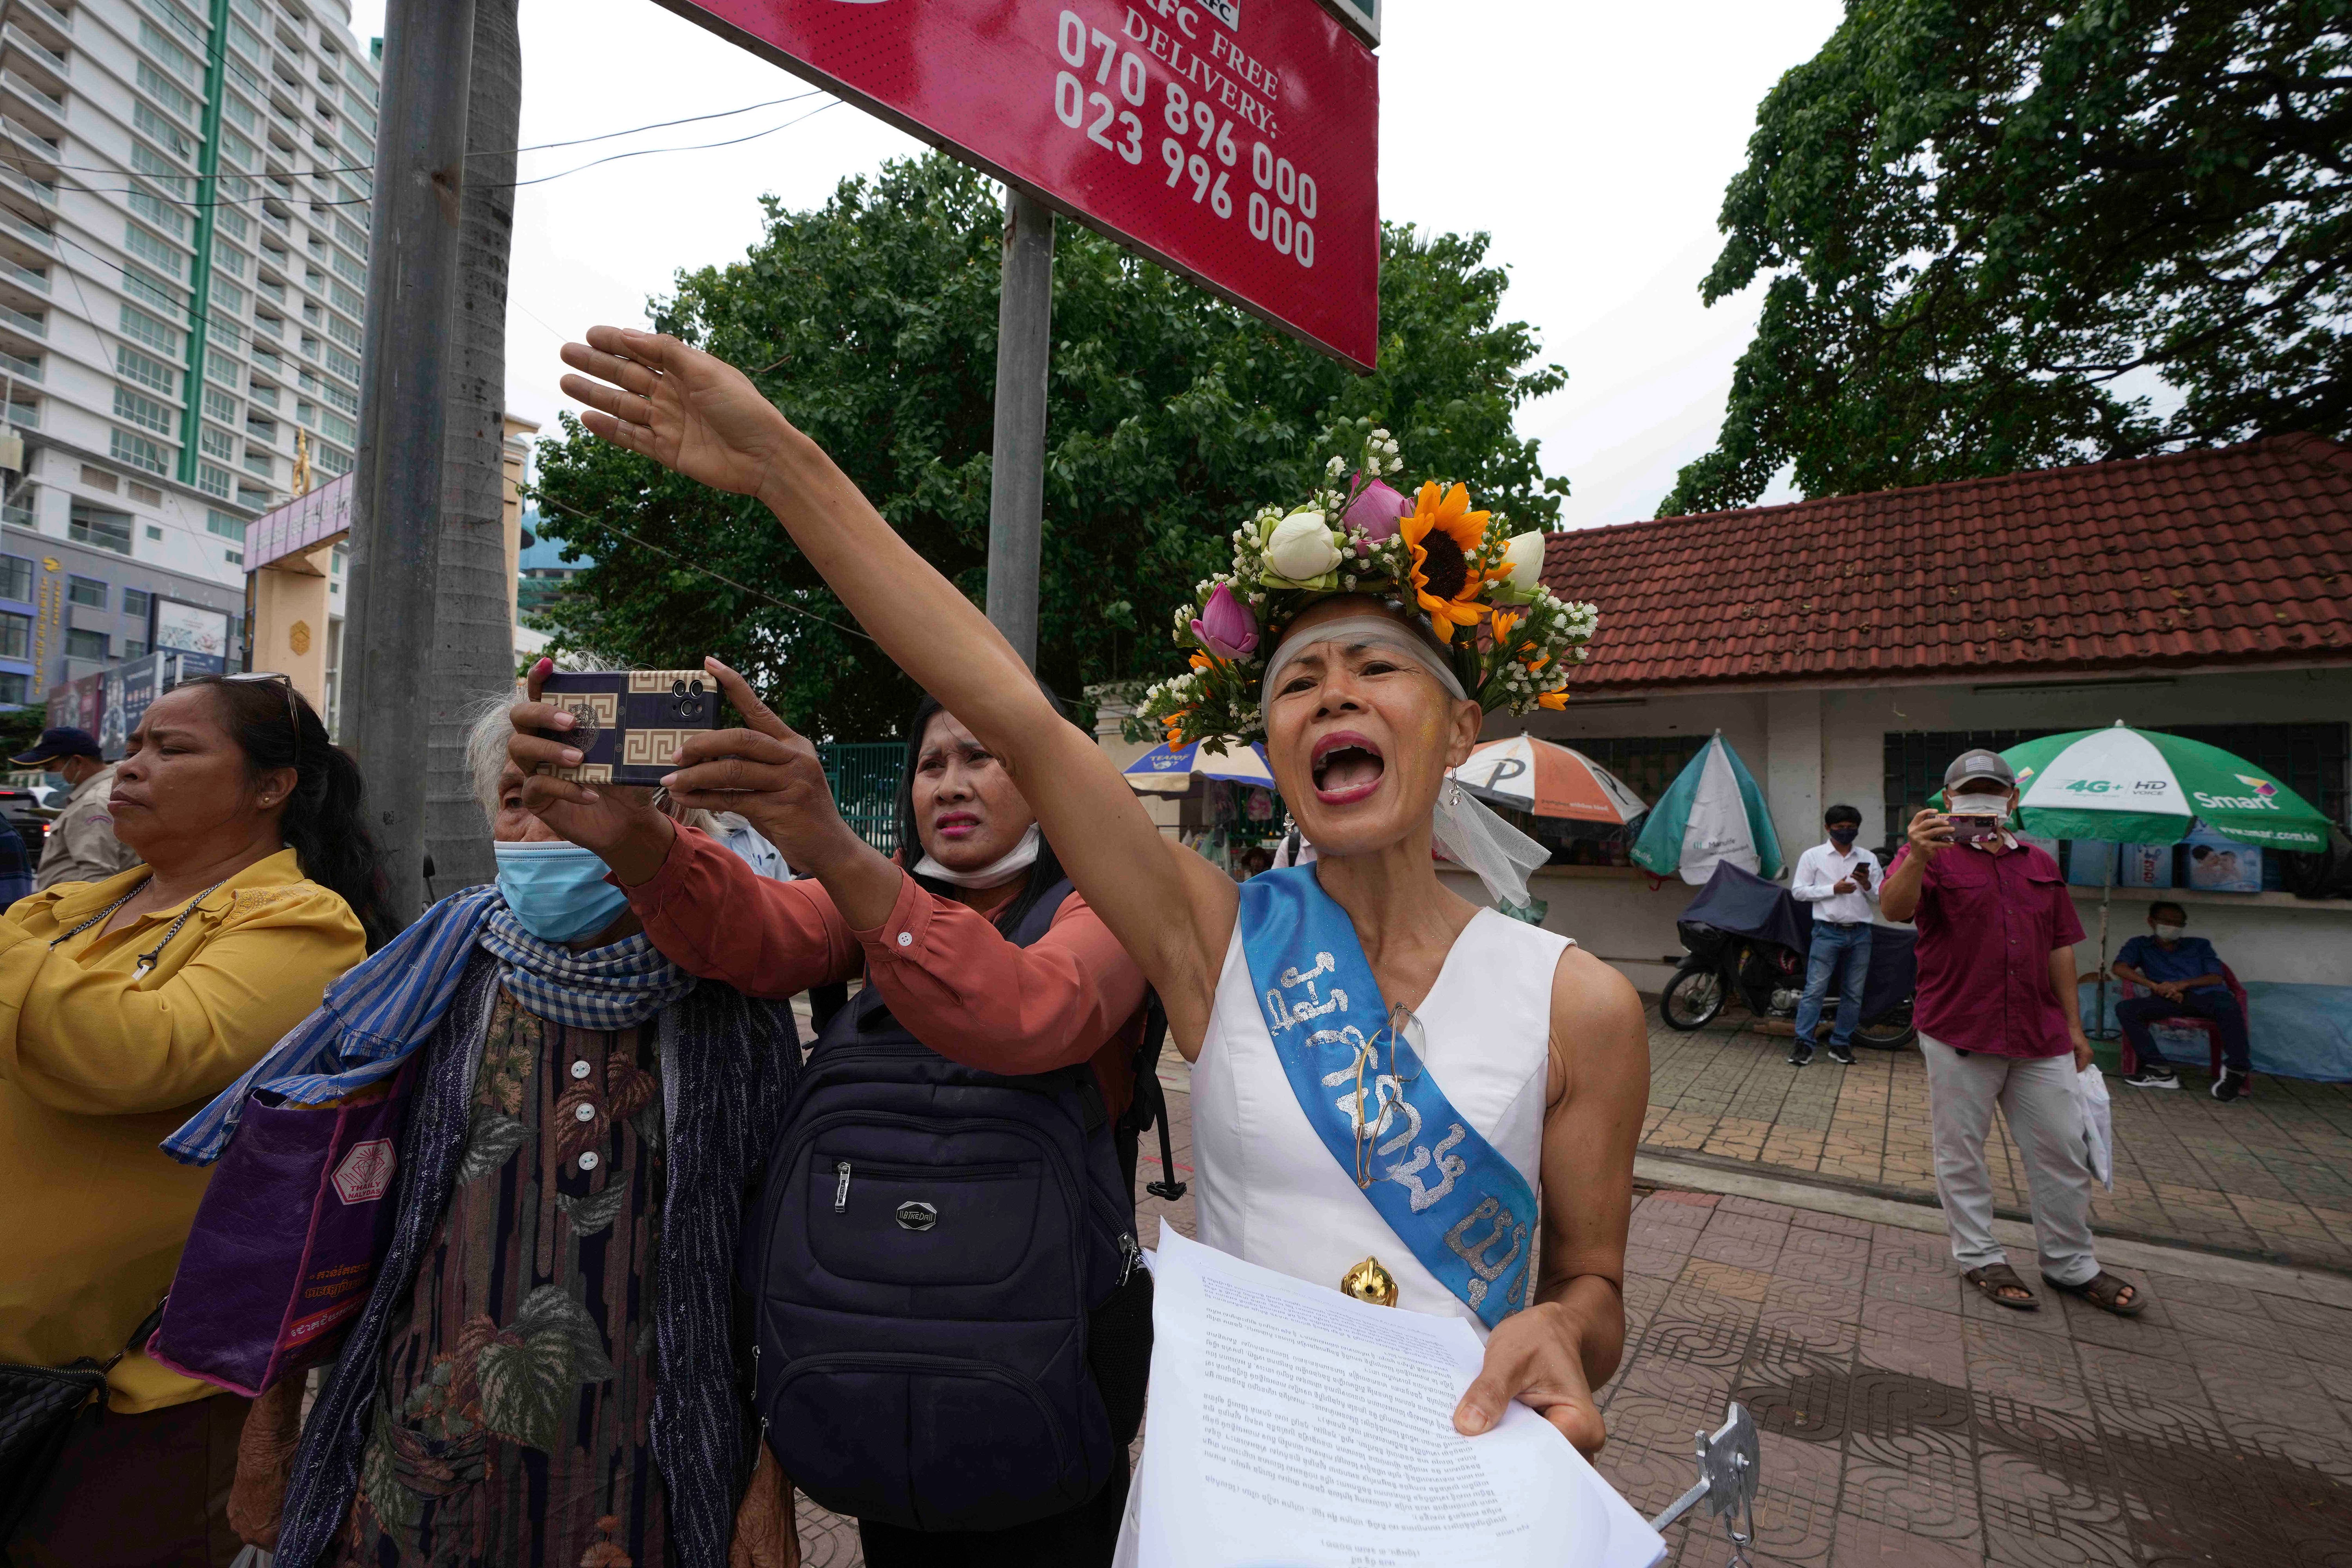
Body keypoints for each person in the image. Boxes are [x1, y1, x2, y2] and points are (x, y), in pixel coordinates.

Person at [549, 328, 1648, 1487]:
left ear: (1461, 729)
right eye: (1293, 682)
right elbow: (1003, 699)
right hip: (1231, 1499)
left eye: (1377, 668)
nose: (1332, 693)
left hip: (1459, 1499)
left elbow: (1594, 1286)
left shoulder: (1579, 1005)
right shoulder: (1214, 939)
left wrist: (1566, 1332)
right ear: (1267, 741)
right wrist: (782, 464)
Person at [511, 668, 1153, 1566]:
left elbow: (1036, 1006)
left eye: (982, 756)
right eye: (930, 763)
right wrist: (642, 842)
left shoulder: (1108, 900)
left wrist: (830, 843)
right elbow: (757, 931)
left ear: (1051, 779)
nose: (951, 782)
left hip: (1047, 1359)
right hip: (872, 1356)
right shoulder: (875, 895)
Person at [209, 699, 803, 1568]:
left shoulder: (735, 997)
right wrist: (266, 1437)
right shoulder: (432, 972)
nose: (548, 822)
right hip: (416, 1475)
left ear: (664, 818)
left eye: (583, 793)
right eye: (520, 796)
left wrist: (770, 1481)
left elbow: (784, 1254)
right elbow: (313, 1202)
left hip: (651, 1488)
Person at [0, 675, 387, 1567]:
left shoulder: (302, 924)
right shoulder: (63, 911)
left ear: (271, 785)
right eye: (134, 745)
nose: (133, 768)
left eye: (173, 749)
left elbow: (140, 1051)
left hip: (128, 1403)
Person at [1881, 748, 2142, 1318]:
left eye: (1993, 791)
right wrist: (1918, 857)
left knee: (2063, 1152)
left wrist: (2075, 1028)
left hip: (2040, 1035)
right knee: (1962, 1153)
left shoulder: (2040, 864)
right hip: (1960, 1031)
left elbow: (2060, 948)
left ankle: (2071, 1264)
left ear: (2012, 801)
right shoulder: (1930, 855)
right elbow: (1894, 909)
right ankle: (1979, 1255)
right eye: (1969, 791)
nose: (1983, 800)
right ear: (1948, 801)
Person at [2113, 902, 2250, 1100]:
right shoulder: (2140, 945)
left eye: (2179, 924)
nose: (2173, 927)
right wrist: (2154, 986)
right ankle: (2159, 1069)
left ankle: (2237, 1070)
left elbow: (2216, 977)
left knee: (2228, 1006)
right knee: (2127, 1009)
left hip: (2206, 996)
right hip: (2168, 998)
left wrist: (2181, 985)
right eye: (2167, 922)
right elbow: (2120, 968)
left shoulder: (2200, 945)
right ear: (2151, 922)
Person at [1786, 803, 1881, 1067]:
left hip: (1861, 933)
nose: (1846, 832)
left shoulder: (1868, 859)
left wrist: (1865, 884)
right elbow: (1799, 891)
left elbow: (1880, 897)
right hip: (1827, 932)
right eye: (1840, 828)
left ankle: (1841, 1044)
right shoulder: (1813, 856)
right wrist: (1833, 889)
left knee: (1853, 993)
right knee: (1815, 989)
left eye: (1852, 828)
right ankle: (1804, 1043)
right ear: (1828, 828)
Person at [11, 724, 142, 890]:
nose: (47, 775)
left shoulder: (92, 803)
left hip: (76, 910)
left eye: (50, 768)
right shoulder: (105, 790)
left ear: (77, 762)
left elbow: (97, 879)